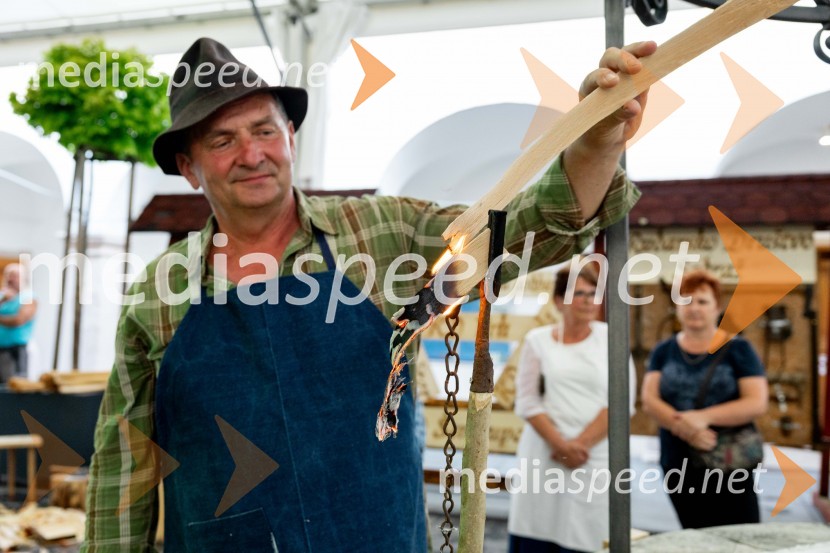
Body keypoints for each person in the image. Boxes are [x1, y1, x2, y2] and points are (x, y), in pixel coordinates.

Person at [83, 36, 655, 552]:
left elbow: (526, 234)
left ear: (290, 138)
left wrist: (596, 142)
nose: (251, 154)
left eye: (263, 130)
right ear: (189, 167)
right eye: (222, 140)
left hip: (373, 535)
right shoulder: (158, 295)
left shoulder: (382, 236)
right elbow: (123, 464)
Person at [508, 263, 636, 553]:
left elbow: (621, 401)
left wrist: (578, 445)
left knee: (587, 534)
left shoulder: (611, 338)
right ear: (558, 301)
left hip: (594, 454)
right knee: (537, 528)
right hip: (545, 451)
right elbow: (527, 400)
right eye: (579, 293)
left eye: (593, 293)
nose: (589, 300)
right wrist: (559, 444)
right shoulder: (537, 341)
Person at [641, 269, 768, 528]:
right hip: (678, 459)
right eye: (686, 301)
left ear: (717, 307)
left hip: (727, 459)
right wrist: (685, 428)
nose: (694, 308)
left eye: (702, 301)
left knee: (739, 532)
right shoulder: (664, 351)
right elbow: (649, 399)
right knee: (693, 530)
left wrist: (703, 418)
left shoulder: (739, 349)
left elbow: (756, 401)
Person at [0, 263, 37, 383]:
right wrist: (3, 299)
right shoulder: (2, 297)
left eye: (15, 276)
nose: (11, 279)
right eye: (8, 276)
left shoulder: (28, 297)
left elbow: (18, 320)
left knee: (15, 383)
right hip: (1, 348)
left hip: (16, 350)